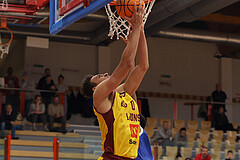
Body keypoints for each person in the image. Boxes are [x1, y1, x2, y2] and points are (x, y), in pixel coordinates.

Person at [81, 3, 148, 159]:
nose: (105, 73)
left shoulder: (124, 93)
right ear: (94, 89)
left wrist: (141, 31)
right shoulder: (100, 97)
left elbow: (143, 66)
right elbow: (127, 64)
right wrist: (136, 30)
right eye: (99, 77)